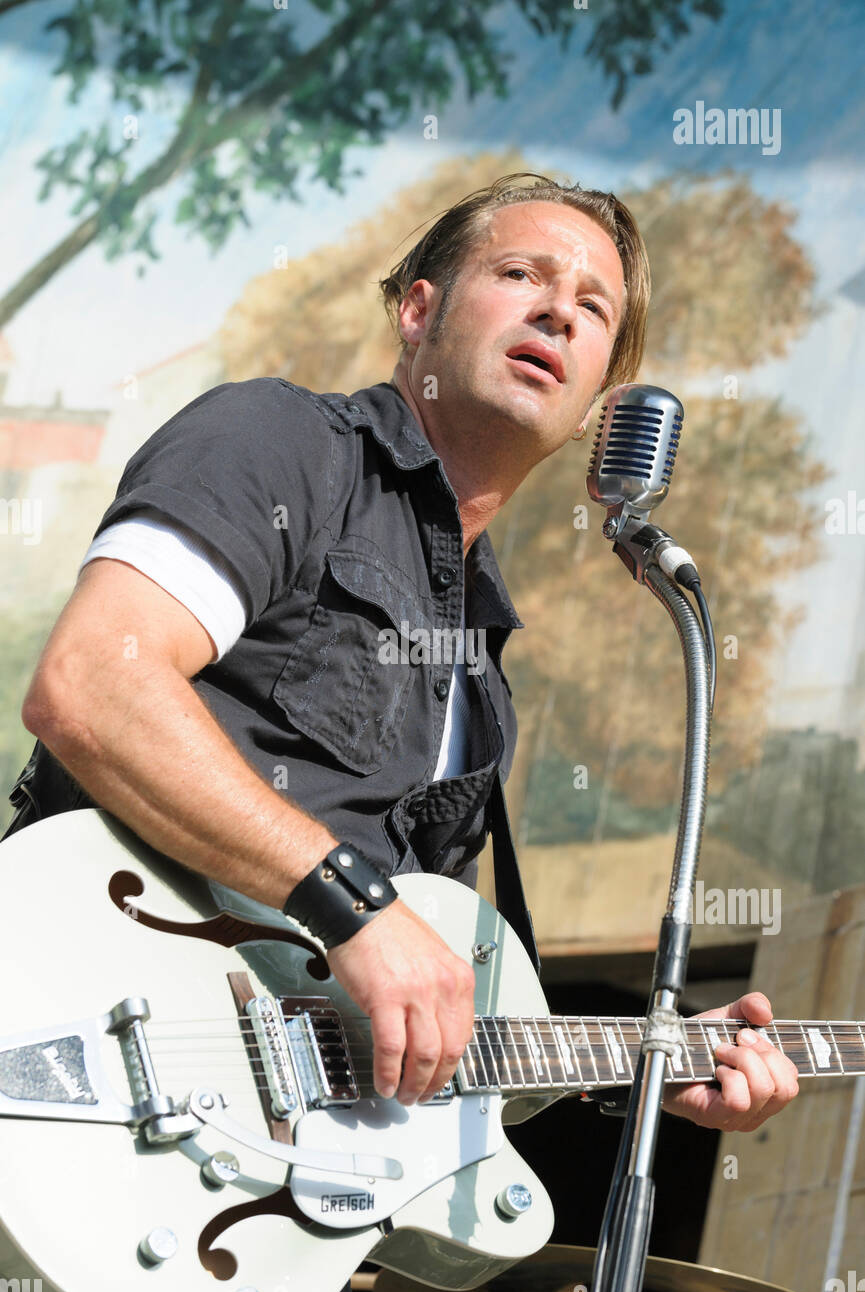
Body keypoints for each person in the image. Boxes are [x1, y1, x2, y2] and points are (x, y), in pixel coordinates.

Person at [8, 172, 797, 1133]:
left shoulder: (479, 670)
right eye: (521, 274)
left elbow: (416, 1019)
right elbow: (93, 683)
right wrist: (356, 906)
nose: (558, 309)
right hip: (72, 1034)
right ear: (418, 310)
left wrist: (640, 1065)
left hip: (230, 1186)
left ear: (599, 401)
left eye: (593, 308)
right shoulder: (284, 441)